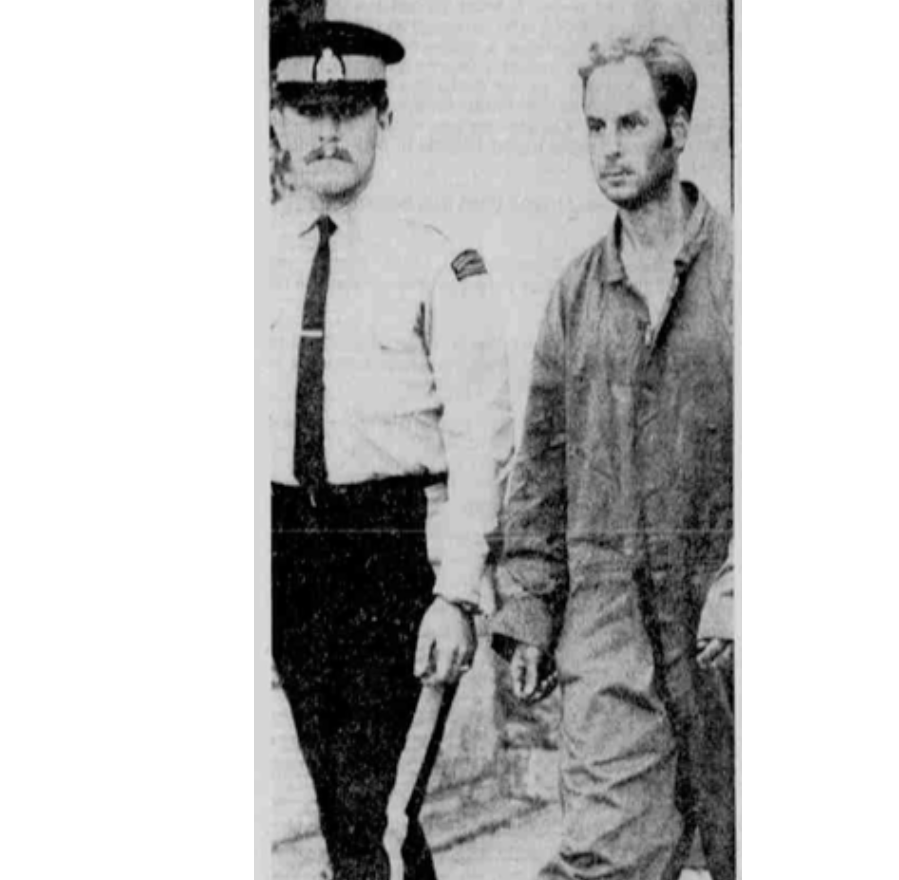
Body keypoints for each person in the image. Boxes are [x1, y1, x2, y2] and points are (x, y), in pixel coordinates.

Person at [264, 19, 513, 880]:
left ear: (384, 117)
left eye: (350, 108)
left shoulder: (434, 260)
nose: (327, 131)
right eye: (307, 108)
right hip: (291, 551)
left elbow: (481, 432)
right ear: (275, 123)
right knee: (356, 820)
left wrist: (458, 593)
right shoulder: (251, 258)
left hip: (394, 553)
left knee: (375, 813)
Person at [490, 34, 737, 880]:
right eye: (595, 128)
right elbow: (541, 466)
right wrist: (527, 608)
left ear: (679, 125)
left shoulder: (742, 276)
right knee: (602, 861)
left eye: (630, 123)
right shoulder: (575, 293)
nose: (610, 148)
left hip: (726, 632)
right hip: (609, 636)